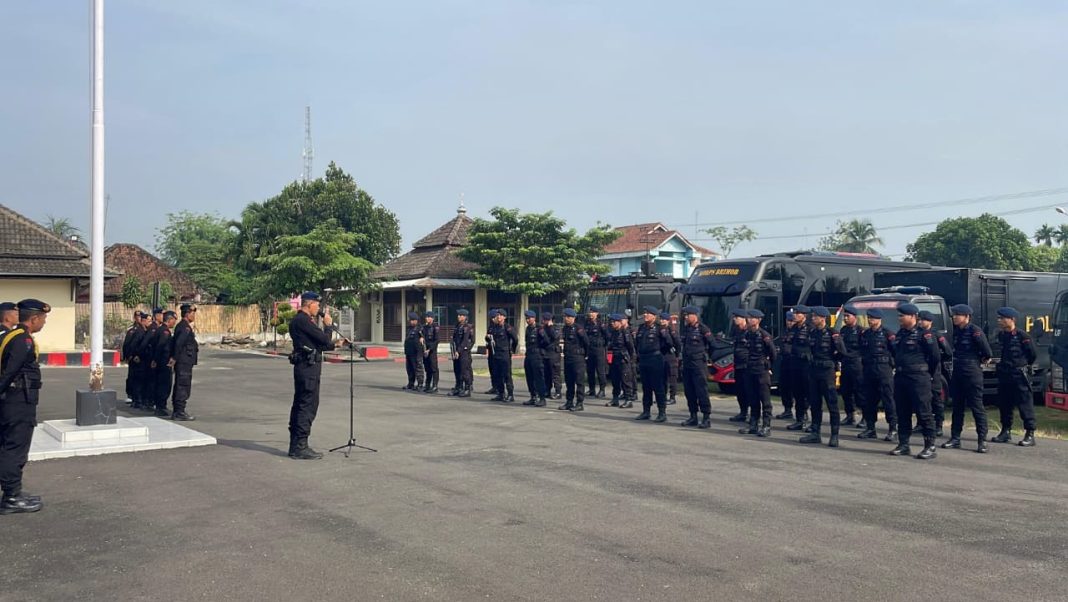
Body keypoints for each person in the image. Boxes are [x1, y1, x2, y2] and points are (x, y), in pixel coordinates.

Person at [0, 299, 50, 515]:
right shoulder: (22, 340)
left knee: (12, 445)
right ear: (34, 318)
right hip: (18, 401)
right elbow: (9, 372)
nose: (44, 322)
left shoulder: (14, 335)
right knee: (15, 448)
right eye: (43, 318)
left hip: (17, 400)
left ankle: (14, 492)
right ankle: (11, 497)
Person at [287, 291, 345, 460]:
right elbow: (324, 340)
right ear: (310, 304)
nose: (318, 309)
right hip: (308, 368)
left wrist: (336, 345)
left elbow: (319, 344)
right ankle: (300, 447)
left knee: (301, 404)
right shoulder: (303, 321)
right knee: (307, 405)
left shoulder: (299, 321)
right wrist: (328, 326)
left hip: (305, 367)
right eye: (317, 305)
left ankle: (295, 445)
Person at [889, 303, 939, 460]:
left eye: (902, 316)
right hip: (901, 376)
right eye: (899, 316)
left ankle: (930, 446)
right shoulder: (900, 334)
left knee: (923, 411)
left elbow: (935, 357)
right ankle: (904, 444)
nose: (899, 318)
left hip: (918, 377)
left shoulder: (924, 335)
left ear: (912, 317)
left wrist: (926, 373)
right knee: (902, 411)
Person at [941, 304, 992, 453]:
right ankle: (955, 438)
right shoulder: (957, 331)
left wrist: (978, 360)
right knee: (957, 407)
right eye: (954, 315)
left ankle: (982, 440)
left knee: (976, 407)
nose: (954, 317)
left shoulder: (975, 331)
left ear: (967, 316)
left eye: (957, 315)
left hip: (971, 372)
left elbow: (987, 352)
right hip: (958, 372)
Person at [800, 307, 846, 447]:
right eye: (813, 316)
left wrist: (831, 361)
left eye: (815, 316)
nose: (813, 318)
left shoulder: (832, 333)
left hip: (827, 371)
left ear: (822, 318)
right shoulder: (812, 333)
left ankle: (834, 435)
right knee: (815, 403)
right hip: (814, 371)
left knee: (832, 404)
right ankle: (815, 433)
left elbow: (842, 352)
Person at [993, 307, 1038, 447]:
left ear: (1012, 319)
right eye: (999, 318)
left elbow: (1032, 354)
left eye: (1002, 318)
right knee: (1005, 404)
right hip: (1005, 374)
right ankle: (1005, 431)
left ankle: (1030, 433)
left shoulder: (1022, 336)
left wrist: (1022, 365)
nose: (999, 320)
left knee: (1025, 403)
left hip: (1019, 375)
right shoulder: (1001, 335)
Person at [858, 309, 898, 441]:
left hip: (883, 369)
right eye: (869, 318)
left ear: (879, 319)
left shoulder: (888, 334)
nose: (870, 321)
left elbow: (896, 351)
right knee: (869, 400)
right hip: (869, 369)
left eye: (873, 318)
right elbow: (862, 350)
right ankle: (870, 428)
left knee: (888, 399)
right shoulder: (865, 334)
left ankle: (892, 428)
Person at [740, 309, 776, 437]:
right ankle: (753, 424)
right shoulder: (747, 334)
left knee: (765, 399)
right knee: (753, 398)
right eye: (748, 318)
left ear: (758, 320)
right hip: (750, 369)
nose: (749, 320)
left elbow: (773, 353)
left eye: (752, 318)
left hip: (761, 370)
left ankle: (766, 426)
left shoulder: (764, 335)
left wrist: (768, 365)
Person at [634, 306, 674, 423]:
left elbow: (669, 343)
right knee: (646, 387)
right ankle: (646, 411)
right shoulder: (641, 328)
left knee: (658, 387)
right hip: (644, 359)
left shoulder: (659, 328)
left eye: (648, 313)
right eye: (644, 313)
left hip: (655, 359)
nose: (645, 315)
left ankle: (662, 412)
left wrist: (660, 353)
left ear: (654, 316)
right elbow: (637, 343)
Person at [678, 306, 715, 429]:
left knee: (701, 391)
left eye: (688, 315)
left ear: (695, 316)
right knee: (689, 391)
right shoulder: (686, 329)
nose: (686, 317)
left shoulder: (703, 329)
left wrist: (706, 357)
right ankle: (693, 416)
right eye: (685, 315)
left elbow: (713, 344)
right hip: (687, 364)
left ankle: (706, 417)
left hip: (698, 364)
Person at [918, 310, 951, 437]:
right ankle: (921, 423)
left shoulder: (936, 334)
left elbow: (947, 351)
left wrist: (937, 360)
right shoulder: (917, 334)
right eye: (919, 320)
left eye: (923, 320)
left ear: (930, 321)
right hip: (921, 370)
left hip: (934, 371)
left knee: (936, 398)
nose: (920, 322)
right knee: (920, 398)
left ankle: (938, 425)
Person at [169, 304, 198, 421]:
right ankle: (179, 411)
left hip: (184, 361)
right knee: (183, 385)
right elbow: (179, 344)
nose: (194, 315)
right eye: (192, 313)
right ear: (187, 314)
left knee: (181, 384)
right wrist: (174, 358)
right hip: (184, 361)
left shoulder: (183, 326)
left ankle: (177, 411)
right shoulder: (184, 327)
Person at [786, 305, 812, 432]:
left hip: (806, 365)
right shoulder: (794, 328)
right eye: (795, 313)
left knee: (808, 392)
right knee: (797, 392)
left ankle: (809, 419)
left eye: (798, 313)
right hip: (794, 363)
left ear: (804, 315)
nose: (795, 315)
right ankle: (799, 419)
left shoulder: (810, 328)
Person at [837, 305, 864, 427]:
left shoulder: (861, 331)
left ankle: (865, 416)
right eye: (844, 316)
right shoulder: (843, 330)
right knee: (846, 391)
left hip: (857, 365)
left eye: (848, 316)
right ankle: (849, 415)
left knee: (860, 391)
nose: (845, 318)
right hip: (846, 364)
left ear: (855, 317)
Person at [151, 311, 179, 418]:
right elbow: (160, 346)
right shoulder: (165, 332)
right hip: (163, 362)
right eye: (174, 320)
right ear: (169, 319)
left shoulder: (160, 329)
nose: (174, 323)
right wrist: (156, 360)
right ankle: (160, 407)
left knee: (161, 384)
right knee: (164, 385)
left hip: (161, 361)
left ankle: (160, 406)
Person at [560, 308, 589, 411]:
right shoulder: (565, 328)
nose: (566, 319)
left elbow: (586, 343)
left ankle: (580, 403)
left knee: (579, 381)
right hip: (568, 357)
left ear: (573, 318)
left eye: (568, 317)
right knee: (569, 381)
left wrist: (585, 355)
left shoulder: (578, 329)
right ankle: (569, 401)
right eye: (565, 317)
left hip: (578, 358)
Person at [486, 310, 518, 402]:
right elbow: (489, 338)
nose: (498, 317)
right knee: (497, 374)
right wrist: (487, 338)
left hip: (504, 354)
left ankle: (510, 394)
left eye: (500, 315)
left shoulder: (507, 327)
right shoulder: (494, 327)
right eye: (497, 315)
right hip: (495, 354)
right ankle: (501, 394)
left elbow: (515, 339)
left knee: (507, 375)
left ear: (504, 317)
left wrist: (512, 349)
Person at [607, 314, 636, 408]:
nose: (612, 323)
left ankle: (628, 399)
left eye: (614, 322)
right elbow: (610, 347)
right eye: (611, 322)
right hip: (614, 358)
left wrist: (631, 359)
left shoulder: (625, 332)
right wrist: (609, 359)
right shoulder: (613, 332)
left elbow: (630, 347)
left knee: (625, 380)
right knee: (615, 380)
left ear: (619, 322)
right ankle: (615, 399)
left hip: (623, 359)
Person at [728, 308, 750, 423]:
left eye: (737, 317)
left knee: (749, 390)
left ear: (743, 319)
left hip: (748, 366)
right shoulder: (736, 331)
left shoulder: (749, 332)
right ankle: (743, 412)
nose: (734, 319)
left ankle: (753, 415)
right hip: (738, 365)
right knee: (740, 390)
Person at [522, 310, 548, 406]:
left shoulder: (539, 328)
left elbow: (546, 341)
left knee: (538, 378)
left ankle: (542, 398)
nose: (528, 320)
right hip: (529, 355)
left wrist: (539, 349)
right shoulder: (528, 329)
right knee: (529, 377)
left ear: (534, 318)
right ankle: (533, 396)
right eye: (526, 318)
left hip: (537, 356)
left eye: (529, 318)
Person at [121, 310, 145, 407]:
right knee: (131, 376)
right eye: (137, 316)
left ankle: (138, 396)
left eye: (140, 316)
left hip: (141, 357)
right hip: (132, 357)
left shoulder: (145, 328)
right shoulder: (132, 329)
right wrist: (127, 356)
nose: (139, 318)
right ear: (135, 317)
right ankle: (130, 394)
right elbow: (127, 344)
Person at [776, 311, 797, 420]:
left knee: (798, 388)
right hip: (785, 362)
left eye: (792, 321)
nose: (790, 323)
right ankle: (787, 410)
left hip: (795, 363)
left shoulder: (799, 331)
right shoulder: (784, 331)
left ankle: (802, 413)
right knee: (784, 387)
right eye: (788, 321)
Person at [449, 309, 474, 397]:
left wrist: (459, 351)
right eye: (458, 315)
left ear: (465, 317)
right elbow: (455, 339)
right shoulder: (457, 326)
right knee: (457, 370)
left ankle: (467, 389)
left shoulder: (467, 327)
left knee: (464, 371)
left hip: (463, 352)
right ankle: (458, 387)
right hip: (456, 351)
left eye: (460, 315)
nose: (458, 316)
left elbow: (465, 341)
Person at [584, 306, 608, 399]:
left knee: (600, 370)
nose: (591, 314)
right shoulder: (586, 323)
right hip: (589, 349)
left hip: (598, 349)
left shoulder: (600, 324)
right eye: (590, 312)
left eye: (593, 312)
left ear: (597, 313)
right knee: (590, 370)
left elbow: (607, 336)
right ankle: (592, 389)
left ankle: (602, 390)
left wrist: (602, 344)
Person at [541, 312, 563, 400]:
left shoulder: (556, 328)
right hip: (545, 353)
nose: (543, 321)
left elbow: (555, 336)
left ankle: (558, 392)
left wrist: (550, 327)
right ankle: (547, 390)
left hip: (554, 354)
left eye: (545, 320)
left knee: (555, 374)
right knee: (546, 374)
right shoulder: (543, 328)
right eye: (543, 319)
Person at [660, 312, 680, 405]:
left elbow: (676, 343)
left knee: (672, 377)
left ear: (668, 321)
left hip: (671, 355)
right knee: (662, 377)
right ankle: (663, 396)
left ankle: (672, 397)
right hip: (662, 355)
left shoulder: (672, 330)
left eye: (664, 319)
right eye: (661, 319)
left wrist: (677, 354)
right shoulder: (660, 329)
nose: (662, 321)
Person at [403, 312, 425, 391]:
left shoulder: (420, 328)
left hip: (417, 352)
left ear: (416, 320)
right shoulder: (409, 328)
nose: (411, 322)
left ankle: (420, 384)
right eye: (410, 320)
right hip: (409, 352)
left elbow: (423, 338)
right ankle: (411, 383)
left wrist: (422, 338)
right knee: (409, 369)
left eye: (412, 320)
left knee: (418, 368)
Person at [422, 312, 440, 393]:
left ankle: (435, 386)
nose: (427, 318)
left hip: (432, 350)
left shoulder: (435, 327)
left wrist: (429, 349)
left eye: (429, 317)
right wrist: (421, 338)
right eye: (426, 317)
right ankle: (427, 385)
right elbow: (421, 335)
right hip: (425, 349)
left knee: (434, 368)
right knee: (427, 368)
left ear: (432, 318)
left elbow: (437, 340)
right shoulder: (424, 327)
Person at [484, 309, 500, 395]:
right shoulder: (490, 327)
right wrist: (487, 337)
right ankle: (494, 386)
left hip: (497, 351)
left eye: (494, 317)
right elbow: (487, 338)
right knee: (492, 369)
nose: (493, 319)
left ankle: (499, 387)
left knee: (497, 370)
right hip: (491, 350)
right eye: (492, 318)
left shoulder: (499, 327)